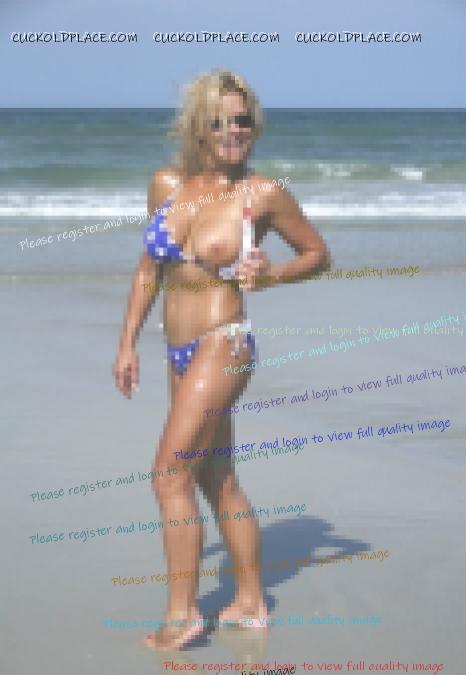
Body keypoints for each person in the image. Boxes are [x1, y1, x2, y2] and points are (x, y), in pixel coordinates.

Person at [112, 69, 330, 651]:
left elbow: (317, 254)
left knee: (168, 475)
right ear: (198, 127)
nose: (233, 131)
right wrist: (127, 341)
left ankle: (182, 615)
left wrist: (272, 275)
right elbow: (148, 270)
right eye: (219, 120)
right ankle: (251, 601)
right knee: (216, 477)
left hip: (224, 343)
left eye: (242, 120)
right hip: (177, 349)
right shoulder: (166, 185)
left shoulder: (262, 194)